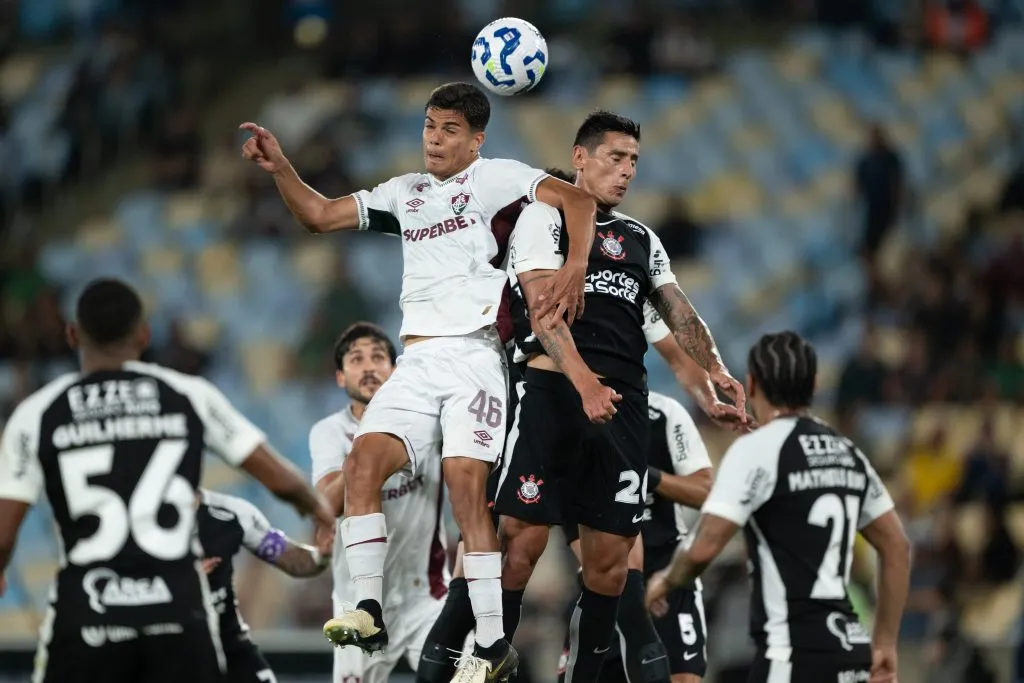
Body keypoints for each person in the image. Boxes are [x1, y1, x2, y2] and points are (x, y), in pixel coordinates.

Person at [241, 81, 599, 681]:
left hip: (477, 354)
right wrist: (282, 169)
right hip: (418, 361)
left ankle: (491, 644)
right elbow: (320, 216)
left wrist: (576, 268)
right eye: (429, 127)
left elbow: (580, 203)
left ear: (476, 140)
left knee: (466, 489)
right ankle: (369, 610)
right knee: (362, 465)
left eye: (449, 130)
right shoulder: (402, 193)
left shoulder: (500, 178)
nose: (434, 139)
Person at [495, 111, 746, 683]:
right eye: (616, 157)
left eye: (634, 160)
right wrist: (584, 383)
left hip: (622, 406)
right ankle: (486, 661)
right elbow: (543, 311)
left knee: (610, 567)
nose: (628, 169)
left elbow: (676, 309)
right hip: (556, 394)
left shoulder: (639, 237)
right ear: (580, 157)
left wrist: (716, 370)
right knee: (520, 546)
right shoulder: (545, 219)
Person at [0, 278, 334, 683]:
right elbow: (281, 479)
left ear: (72, 334)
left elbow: (4, 534)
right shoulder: (187, 394)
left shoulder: (37, 413)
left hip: (87, 615)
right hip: (178, 615)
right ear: (144, 334)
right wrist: (316, 509)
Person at [646, 331, 912, 683]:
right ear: (815, 385)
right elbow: (897, 546)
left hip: (793, 655)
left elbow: (704, 547)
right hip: (852, 652)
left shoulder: (756, 451)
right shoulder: (847, 452)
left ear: (752, 383)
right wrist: (886, 644)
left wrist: (666, 581)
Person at [310, 322, 452, 683]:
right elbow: (326, 502)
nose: (369, 366)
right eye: (356, 359)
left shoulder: (428, 423)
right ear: (341, 377)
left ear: (396, 368)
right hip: (357, 603)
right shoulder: (328, 432)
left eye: (378, 357)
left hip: (428, 597)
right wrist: (369, 457)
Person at [560, 387, 713, 683]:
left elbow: (705, 491)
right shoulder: (574, 414)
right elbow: (567, 508)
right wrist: (630, 588)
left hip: (669, 572)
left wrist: (645, 474)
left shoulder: (665, 414)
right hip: (605, 573)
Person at [197, 488, 332, 683]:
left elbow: (291, 559)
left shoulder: (232, 512)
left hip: (230, 644)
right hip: (171, 645)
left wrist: (320, 555)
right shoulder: (141, 519)